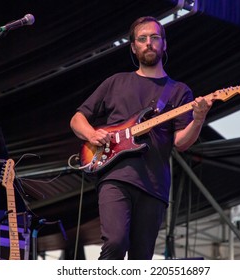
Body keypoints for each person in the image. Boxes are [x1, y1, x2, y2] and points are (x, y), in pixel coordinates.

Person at [70, 16, 212, 260]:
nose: (149, 43)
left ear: (164, 44)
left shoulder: (178, 91)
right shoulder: (116, 82)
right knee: (115, 243)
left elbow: (181, 142)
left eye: (155, 38)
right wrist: (92, 134)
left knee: (141, 258)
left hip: (154, 185)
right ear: (134, 47)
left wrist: (198, 119)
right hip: (115, 175)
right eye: (143, 38)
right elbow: (77, 119)